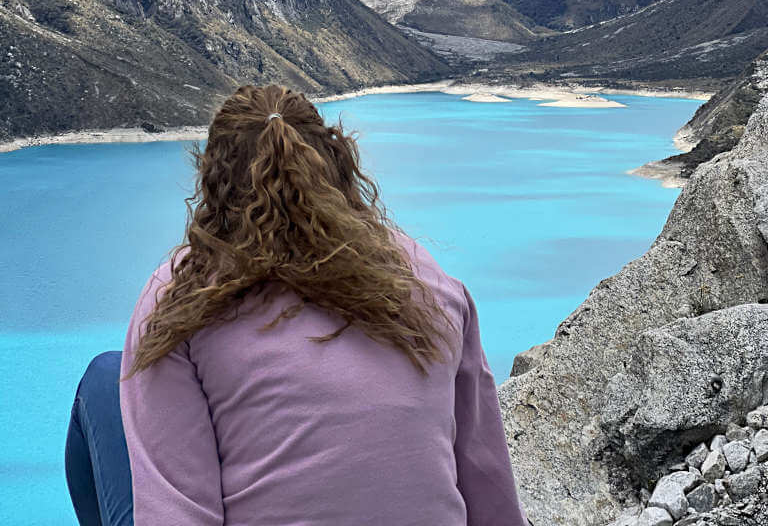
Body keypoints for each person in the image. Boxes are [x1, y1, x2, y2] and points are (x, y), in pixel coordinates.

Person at [64, 83, 529, 526]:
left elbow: (180, 511)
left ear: (213, 180)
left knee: (106, 379)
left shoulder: (183, 294)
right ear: (336, 163)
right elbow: (486, 477)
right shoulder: (422, 273)